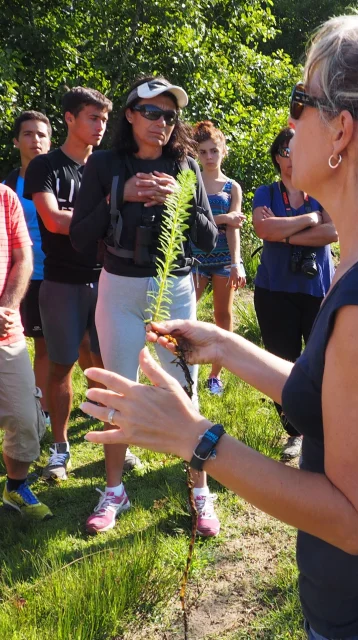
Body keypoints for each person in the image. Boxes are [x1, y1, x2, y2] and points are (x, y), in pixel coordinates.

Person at [80, 12, 358, 640]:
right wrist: (227, 346)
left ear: (341, 132)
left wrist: (195, 438)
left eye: (302, 100)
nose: (290, 119)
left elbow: (353, 520)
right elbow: (348, 403)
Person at [70, 76, 219, 535]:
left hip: (173, 291)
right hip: (119, 291)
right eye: (151, 112)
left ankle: (199, 490)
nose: (161, 123)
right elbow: (78, 237)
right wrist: (122, 195)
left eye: (169, 116)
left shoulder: (186, 167)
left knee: (184, 390)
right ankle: (114, 491)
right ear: (131, 115)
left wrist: (184, 203)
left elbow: (208, 239)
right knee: (117, 389)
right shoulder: (106, 165)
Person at [23, 87, 120, 482]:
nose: (100, 127)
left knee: (109, 366)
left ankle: (116, 441)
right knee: (61, 367)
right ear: (69, 118)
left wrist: (83, 219)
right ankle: (60, 449)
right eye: (92, 118)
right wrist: (104, 214)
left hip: (109, 278)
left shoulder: (109, 166)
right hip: (61, 281)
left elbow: (112, 222)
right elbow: (52, 221)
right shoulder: (45, 167)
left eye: (104, 120)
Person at [252, 127, 337, 459]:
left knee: (321, 362)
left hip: (317, 292)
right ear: (277, 157)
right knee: (281, 364)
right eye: (286, 152)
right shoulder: (266, 193)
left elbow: (333, 232)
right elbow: (263, 228)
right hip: (274, 292)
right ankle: (296, 433)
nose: (293, 159)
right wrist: (309, 220)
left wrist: (284, 234)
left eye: (299, 151)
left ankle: (325, 430)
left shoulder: (323, 192)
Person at [0, 184, 50, 519]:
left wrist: (7, 306)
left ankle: (15, 488)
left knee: (27, 419)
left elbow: (23, 258)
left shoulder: (5, 197)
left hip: (6, 331)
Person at [191, 121, 246, 396]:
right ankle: (182, 367)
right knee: (186, 312)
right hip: (196, 260)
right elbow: (191, 221)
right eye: (203, 152)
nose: (209, 157)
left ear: (224, 151)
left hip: (225, 259)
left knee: (222, 316)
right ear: (197, 154)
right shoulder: (191, 181)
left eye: (214, 150)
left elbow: (234, 229)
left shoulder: (232, 186)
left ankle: (215, 375)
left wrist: (237, 263)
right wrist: (223, 218)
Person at [4, 111, 52, 420]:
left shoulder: (60, 179)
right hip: (20, 278)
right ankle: (29, 408)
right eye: (28, 134)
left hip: (58, 273)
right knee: (24, 344)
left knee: (59, 346)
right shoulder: (7, 186)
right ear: (16, 141)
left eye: (41, 135)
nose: (35, 140)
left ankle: (46, 408)